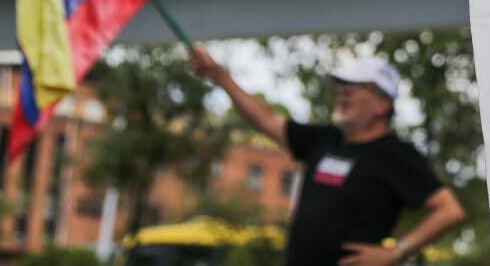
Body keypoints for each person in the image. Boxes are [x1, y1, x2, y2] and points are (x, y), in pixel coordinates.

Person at [190, 48, 465, 266]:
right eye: (342, 85)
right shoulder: (324, 139)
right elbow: (266, 119)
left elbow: (449, 210)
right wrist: (221, 77)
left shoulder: (396, 155)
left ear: (382, 104)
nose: (343, 91)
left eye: (357, 86)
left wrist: (397, 252)